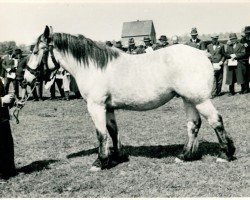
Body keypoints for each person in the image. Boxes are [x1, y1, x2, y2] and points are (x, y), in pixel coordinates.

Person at [0, 78, 17, 179]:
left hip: (3, 118)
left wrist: (12, 102)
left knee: (7, 144)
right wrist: (2, 100)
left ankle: (9, 170)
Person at [240, 26, 250, 93]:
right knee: (244, 74)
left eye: (248, 33)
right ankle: (245, 88)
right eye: (246, 33)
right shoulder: (242, 40)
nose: (247, 34)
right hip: (244, 59)